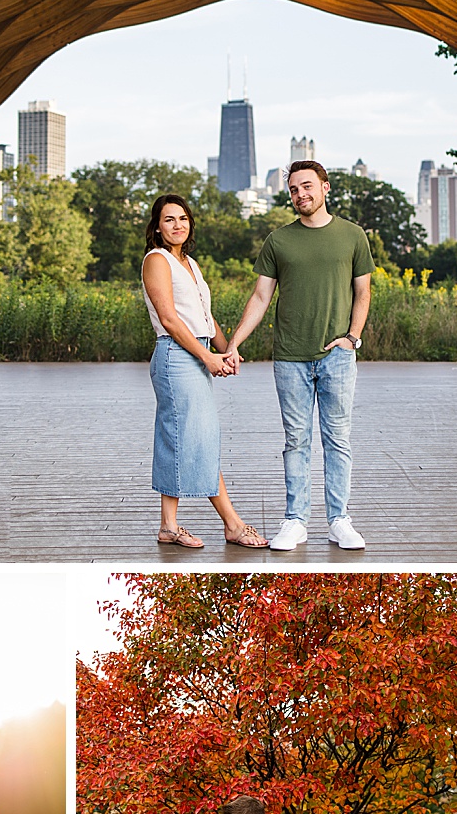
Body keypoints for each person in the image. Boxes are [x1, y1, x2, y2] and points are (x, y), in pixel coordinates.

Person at [222, 161, 373, 551]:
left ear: (325, 188)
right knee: (296, 440)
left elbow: (363, 293)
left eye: (307, 186)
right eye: (293, 189)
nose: (300, 194)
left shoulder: (352, 236)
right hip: (290, 357)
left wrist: (352, 338)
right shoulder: (278, 241)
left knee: (337, 439)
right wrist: (234, 343)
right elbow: (260, 297)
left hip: (337, 355)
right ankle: (295, 521)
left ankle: (339, 520)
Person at [141, 192, 267, 549]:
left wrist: (226, 350)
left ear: (190, 223)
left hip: (195, 352)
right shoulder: (157, 261)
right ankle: (233, 524)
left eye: (182, 218)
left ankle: (169, 526)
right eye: (169, 219)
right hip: (175, 356)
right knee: (198, 439)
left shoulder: (191, 264)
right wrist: (206, 357)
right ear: (157, 227)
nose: (177, 225)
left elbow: (203, 316)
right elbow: (169, 318)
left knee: (180, 438)